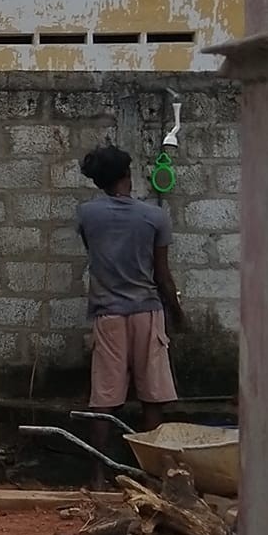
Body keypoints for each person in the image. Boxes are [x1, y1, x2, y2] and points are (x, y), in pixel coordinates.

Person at [75, 143, 185, 439]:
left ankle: (98, 474)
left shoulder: (87, 214)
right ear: (128, 174)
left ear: (99, 181)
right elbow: (162, 277)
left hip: (108, 313)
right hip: (146, 312)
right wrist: (178, 315)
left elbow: (94, 251)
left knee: (104, 398)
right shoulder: (154, 216)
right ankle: (152, 469)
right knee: (152, 396)